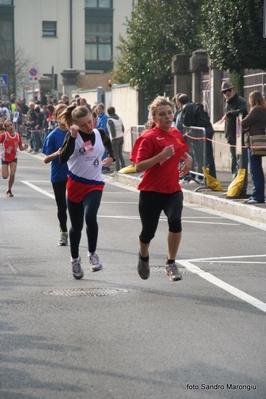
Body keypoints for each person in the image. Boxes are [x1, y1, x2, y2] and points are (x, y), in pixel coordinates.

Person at [130, 96, 192, 282]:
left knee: (175, 221)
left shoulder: (175, 133)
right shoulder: (148, 138)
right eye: (162, 114)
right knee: (148, 232)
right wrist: (160, 155)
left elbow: (181, 151)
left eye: (170, 113)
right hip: (151, 191)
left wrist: (188, 159)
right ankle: (143, 256)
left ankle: (171, 263)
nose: (167, 117)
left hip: (172, 190)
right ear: (154, 118)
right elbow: (138, 167)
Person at [59, 104, 114, 279]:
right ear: (75, 125)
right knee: (76, 227)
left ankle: (92, 254)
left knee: (90, 217)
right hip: (75, 184)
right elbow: (62, 158)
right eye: (83, 125)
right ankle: (75, 260)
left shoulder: (100, 133)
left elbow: (108, 144)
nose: (88, 127)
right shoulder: (72, 136)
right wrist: (73, 137)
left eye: (90, 122)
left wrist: (111, 157)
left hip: (95, 184)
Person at [42, 104, 69, 245]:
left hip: (74, 175)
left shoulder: (75, 133)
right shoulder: (52, 136)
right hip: (58, 175)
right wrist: (57, 153)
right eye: (60, 114)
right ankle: (63, 232)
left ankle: (75, 231)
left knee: (75, 205)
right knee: (62, 206)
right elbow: (46, 159)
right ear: (56, 117)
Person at [220, 80, 248, 196]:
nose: (227, 93)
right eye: (225, 91)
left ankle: (242, 188)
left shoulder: (240, 101)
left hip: (240, 137)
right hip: (231, 137)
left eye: (229, 90)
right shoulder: (227, 102)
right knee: (234, 163)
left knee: (241, 163)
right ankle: (235, 186)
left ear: (234, 89)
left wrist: (229, 114)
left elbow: (243, 112)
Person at [241, 91, 266, 204]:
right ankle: (256, 194)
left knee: (255, 169)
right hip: (256, 141)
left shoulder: (256, 109)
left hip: (254, 142)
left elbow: (243, 123)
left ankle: (258, 195)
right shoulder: (262, 109)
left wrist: (246, 126)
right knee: (256, 169)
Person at [0, 119, 28, 197]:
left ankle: (9, 190)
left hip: (14, 157)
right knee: (5, 176)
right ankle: (5, 173)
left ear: (13, 125)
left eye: (11, 125)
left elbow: (21, 148)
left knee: (12, 174)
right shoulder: (4, 135)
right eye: (8, 126)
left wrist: (25, 147)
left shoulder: (18, 136)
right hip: (5, 157)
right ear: (6, 128)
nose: (10, 127)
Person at [107, 106, 126, 173]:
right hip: (121, 137)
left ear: (108, 113)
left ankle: (117, 168)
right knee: (120, 153)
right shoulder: (119, 118)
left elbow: (112, 130)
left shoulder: (110, 120)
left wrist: (113, 137)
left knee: (116, 154)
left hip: (115, 139)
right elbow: (123, 128)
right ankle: (123, 166)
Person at [96, 103, 110, 172]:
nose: (99, 110)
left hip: (103, 136)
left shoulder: (105, 117)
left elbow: (104, 128)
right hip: (99, 136)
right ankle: (102, 166)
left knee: (104, 152)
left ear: (103, 109)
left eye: (100, 109)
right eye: (98, 109)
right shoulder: (99, 117)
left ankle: (105, 167)